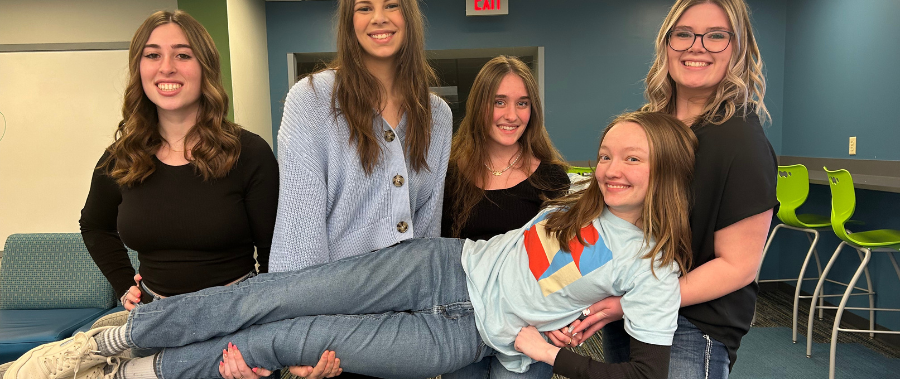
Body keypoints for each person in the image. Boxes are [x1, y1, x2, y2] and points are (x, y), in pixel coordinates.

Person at [4, 111, 696, 379]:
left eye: (631, 160)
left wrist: (547, 350)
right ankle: (105, 343)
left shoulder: (654, 267)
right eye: (606, 153)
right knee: (270, 294)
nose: (611, 168)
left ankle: (137, 374)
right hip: (442, 264)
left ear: (663, 169)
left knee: (293, 337)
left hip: (464, 335)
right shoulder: (579, 197)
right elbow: (537, 255)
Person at [554, 0, 777, 378]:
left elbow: (738, 265)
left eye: (716, 36)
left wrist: (634, 300)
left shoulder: (739, 139)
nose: (697, 47)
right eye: (684, 33)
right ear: (667, 44)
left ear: (737, 48)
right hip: (631, 308)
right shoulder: (650, 125)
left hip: (690, 325)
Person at [265, 0, 453, 379]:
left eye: (391, 5)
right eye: (364, 8)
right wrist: (294, 334)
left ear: (409, 15)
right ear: (349, 22)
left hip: (405, 324)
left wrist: (428, 319)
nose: (379, 19)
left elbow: (427, 227)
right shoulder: (311, 99)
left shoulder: (436, 114)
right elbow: (299, 224)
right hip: (333, 321)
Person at [78, 10, 277, 311]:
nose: (166, 68)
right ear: (139, 68)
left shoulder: (248, 153)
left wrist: (264, 317)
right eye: (153, 55)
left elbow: (274, 253)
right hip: (153, 317)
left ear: (205, 67)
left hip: (235, 316)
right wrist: (123, 283)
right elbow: (94, 225)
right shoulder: (122, 158)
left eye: (183, 55)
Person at [441, 56, 569, 379]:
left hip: (528, 327)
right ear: (480, 105)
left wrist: (563, 318)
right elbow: (440, 252)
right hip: (463, 321)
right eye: (499, 102)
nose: (512, 115)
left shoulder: (551, 179)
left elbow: (563, 265)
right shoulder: (450, 176)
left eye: (522, 103)